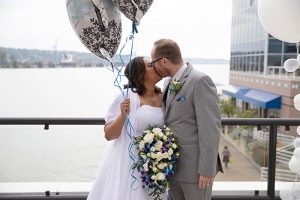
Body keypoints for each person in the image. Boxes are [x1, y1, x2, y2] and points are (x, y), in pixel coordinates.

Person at [150, 39, 223, 200]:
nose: (153, 67)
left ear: (164, 61)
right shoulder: (168, 82)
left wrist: (207, 170)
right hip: (172, 167)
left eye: (153, 62)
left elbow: (210, 128)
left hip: (195, 172)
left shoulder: (200, 81)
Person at [86, 57, 168, 200]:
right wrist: (122, 116)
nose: (155, 67)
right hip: (130, 164)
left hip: (156, 162)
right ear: (140, 74)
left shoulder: (164, 97)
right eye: (150, 66)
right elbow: (109, 135)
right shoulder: (127, 96)